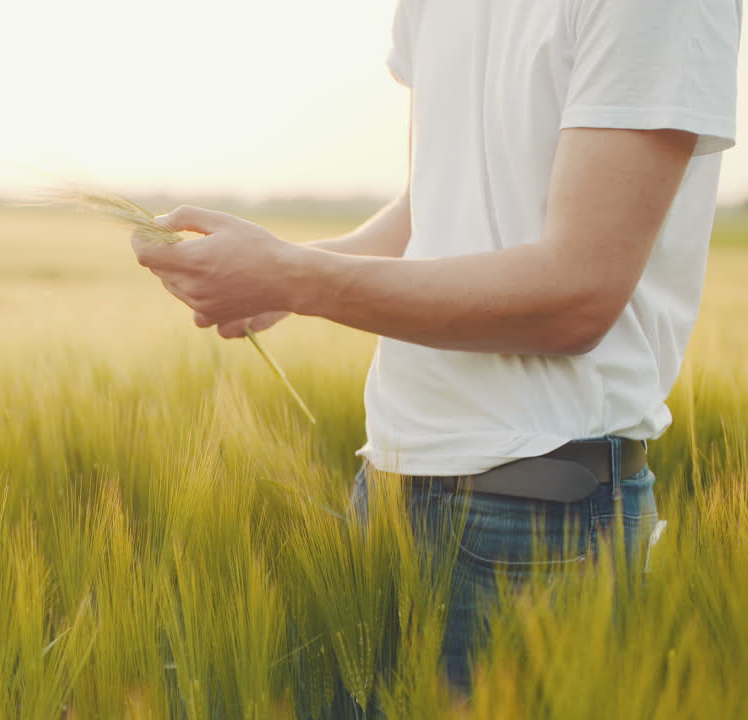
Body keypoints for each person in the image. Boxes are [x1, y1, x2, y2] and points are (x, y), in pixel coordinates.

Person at [131, 0, 741, 692]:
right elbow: (435, 202)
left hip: (540, 512)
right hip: (387, 482)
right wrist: (282, 278)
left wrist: (293, 274)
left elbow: (577, 295)